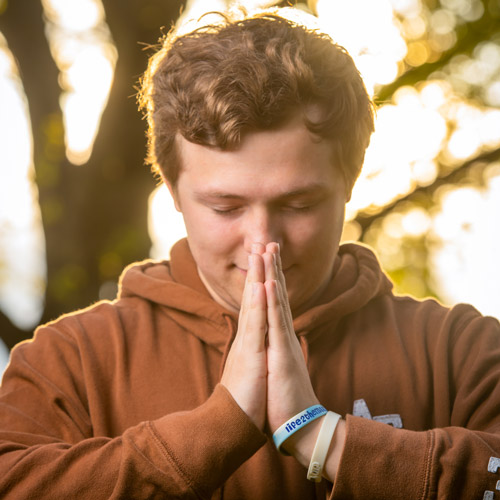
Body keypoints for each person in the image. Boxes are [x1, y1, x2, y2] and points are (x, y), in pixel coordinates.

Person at [1, 7, 500, 499]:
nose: (264, 242)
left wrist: (323, 438)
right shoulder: (70, 360)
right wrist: (219, 427)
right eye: (225, 206)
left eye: (299, 203)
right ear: (172, 190)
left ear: (350, 183)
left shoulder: (464, 351)